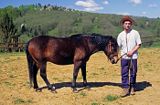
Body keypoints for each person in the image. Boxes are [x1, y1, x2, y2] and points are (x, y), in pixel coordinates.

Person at [117, 16, 142, 97]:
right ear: (123, 25)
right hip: (124, 57)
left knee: (133, 73)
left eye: (129, 24)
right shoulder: (120, 35)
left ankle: (132, 87)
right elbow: (118, 46)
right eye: (126, 23)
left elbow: (139, 44)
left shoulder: (135, 33)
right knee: (124, 73)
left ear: (131, 24)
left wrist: (132, 51)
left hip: (133, 57)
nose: (127, 25)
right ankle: (125, 88)